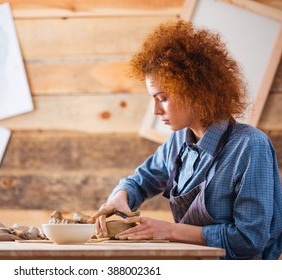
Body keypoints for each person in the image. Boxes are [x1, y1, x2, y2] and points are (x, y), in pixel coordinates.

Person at [88, 20, 282, 260]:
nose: (156, 111)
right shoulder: (178, 142)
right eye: (153, 98)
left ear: (195, 91)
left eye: (163, 98)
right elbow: (142, 180)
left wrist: (169, 230)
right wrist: (120, 197)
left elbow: (249, 239)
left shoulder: (250, 146)